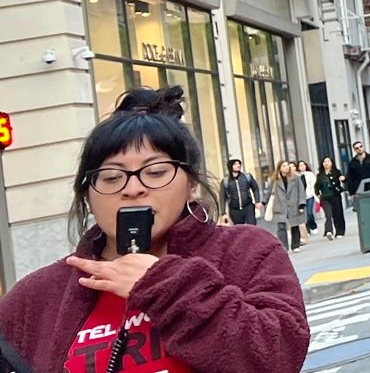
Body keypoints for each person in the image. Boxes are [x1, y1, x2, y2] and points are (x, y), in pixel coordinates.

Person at [0, 85, 310, 373]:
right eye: (111, 178)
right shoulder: (39, 296)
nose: (133, 188)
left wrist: (163, 283)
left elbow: (280, 353)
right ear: (87, 195)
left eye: (156, 172)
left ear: (191, 185)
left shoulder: (245, 252)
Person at [265, 161, 305, 252]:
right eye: (284, 166)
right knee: (281, 227)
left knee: (294, 224)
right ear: (280, 168)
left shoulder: (295, 178)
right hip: (280, 205)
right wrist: (263, 202)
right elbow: (269, 191)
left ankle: (295, 245)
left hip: (293, 204)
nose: (287, 167)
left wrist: (301, 204)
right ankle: (284, 246)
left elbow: (301, 191)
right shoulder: (275, 180)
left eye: (287, 165)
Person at [223, 157, 262, 226]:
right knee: (239, 231)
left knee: (252, 228)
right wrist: (223, 213)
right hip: (235, 210)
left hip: (248, 207)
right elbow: (222, 198)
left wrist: (257, 201)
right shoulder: (225, 181)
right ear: (230, 166)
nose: (238, 165)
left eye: (239, 163)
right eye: (235, 164)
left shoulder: (247, 176)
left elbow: (255, 188)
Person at [315, 155, 347, 239]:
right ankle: (329, 231)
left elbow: (344, 179)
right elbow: (317, 186)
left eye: (328, 161)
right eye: (324, 162)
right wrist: (318, 194)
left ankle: (340, 231)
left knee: (338, 213)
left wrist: (343, 178)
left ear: (332, 163)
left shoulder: (336, 172)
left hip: (335, 195)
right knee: (328, 214)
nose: (326, 163)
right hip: (325, 197)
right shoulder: (320, 175)